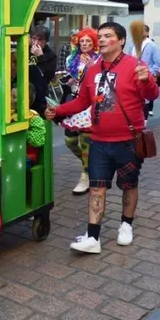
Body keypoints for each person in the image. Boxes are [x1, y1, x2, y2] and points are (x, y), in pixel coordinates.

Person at [46, 22, 159, 254]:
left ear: (121, 41)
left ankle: (126, 225)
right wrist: (58, 110)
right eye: (101, 36)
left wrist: (147, 80)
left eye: (108, 35)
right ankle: (93, 236)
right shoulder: (93, 68)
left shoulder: (135, 65)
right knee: (97, 188)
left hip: (128, 139)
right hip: (98, 140)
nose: (103, 39)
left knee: (129, 185)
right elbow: (82, 102)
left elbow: (152, 95)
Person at [63, 28, 99, 195]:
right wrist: (69, 81)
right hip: (74, 101)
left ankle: (85, 176)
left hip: (90, 103)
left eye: (88, 41)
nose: (84, 44)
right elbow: (73, 78)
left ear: (94, 43)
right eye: (82, 41)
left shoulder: (99, 59)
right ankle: (90, 163)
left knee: (85, 140)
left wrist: (93, 67)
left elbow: (101, 79)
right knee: (69, 140)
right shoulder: (72, 58)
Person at [139, 25, 160, 121]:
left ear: (147, 33)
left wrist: (150, 72)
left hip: (146, 75)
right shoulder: (133, 44)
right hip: (134, 75)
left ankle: (144, 121)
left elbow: (157, 63)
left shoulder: (152, 45)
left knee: (145, 99)